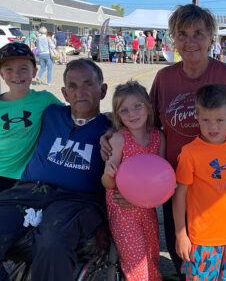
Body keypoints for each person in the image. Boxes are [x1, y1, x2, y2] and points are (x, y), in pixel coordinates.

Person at [102, 4, 226, 281]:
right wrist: (111, 131)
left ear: (211, 38)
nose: (190, 41)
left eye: (198, 33)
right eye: (182, 34)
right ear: (173, 39)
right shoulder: (165, 78)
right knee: (186, 258)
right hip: (177, 185)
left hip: (222, 187)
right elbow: (146, 121)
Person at [0, 58, 110, 281]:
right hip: (28, 192)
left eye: (88, 84)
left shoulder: (111, 129)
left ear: (103, 90)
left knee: (52, 241)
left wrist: (116, 125)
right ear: (64, 93)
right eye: (72, 86)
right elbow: (17, 105)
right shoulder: (50, 113)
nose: (80, 92)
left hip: (78, 200)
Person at [173, 83, 226, 280]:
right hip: (201, 240)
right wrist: (181, 235)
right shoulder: (190, 153)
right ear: (197, 116)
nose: (212, 127)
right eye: (205, 120)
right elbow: (179, 195)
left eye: (220, 120)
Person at [101, 80, 164, 281]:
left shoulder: (158, 137)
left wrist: (147, 200)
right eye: (124, 110)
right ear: (117, 115)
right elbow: (108, 185)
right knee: (136, 265)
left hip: (147, 209)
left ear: (148, 107)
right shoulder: (119, 139)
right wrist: (109, 175)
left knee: (152, 257)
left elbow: (162, 177)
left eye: (138, 106)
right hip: (123, 210)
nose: (132, 114)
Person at [0, 42, 61, 192]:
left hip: (28, 175)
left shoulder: (44, 99)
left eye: (23, 69)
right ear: (1, 74)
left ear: (34, 72)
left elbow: (73, 114)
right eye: (9, 70)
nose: (16, 75)